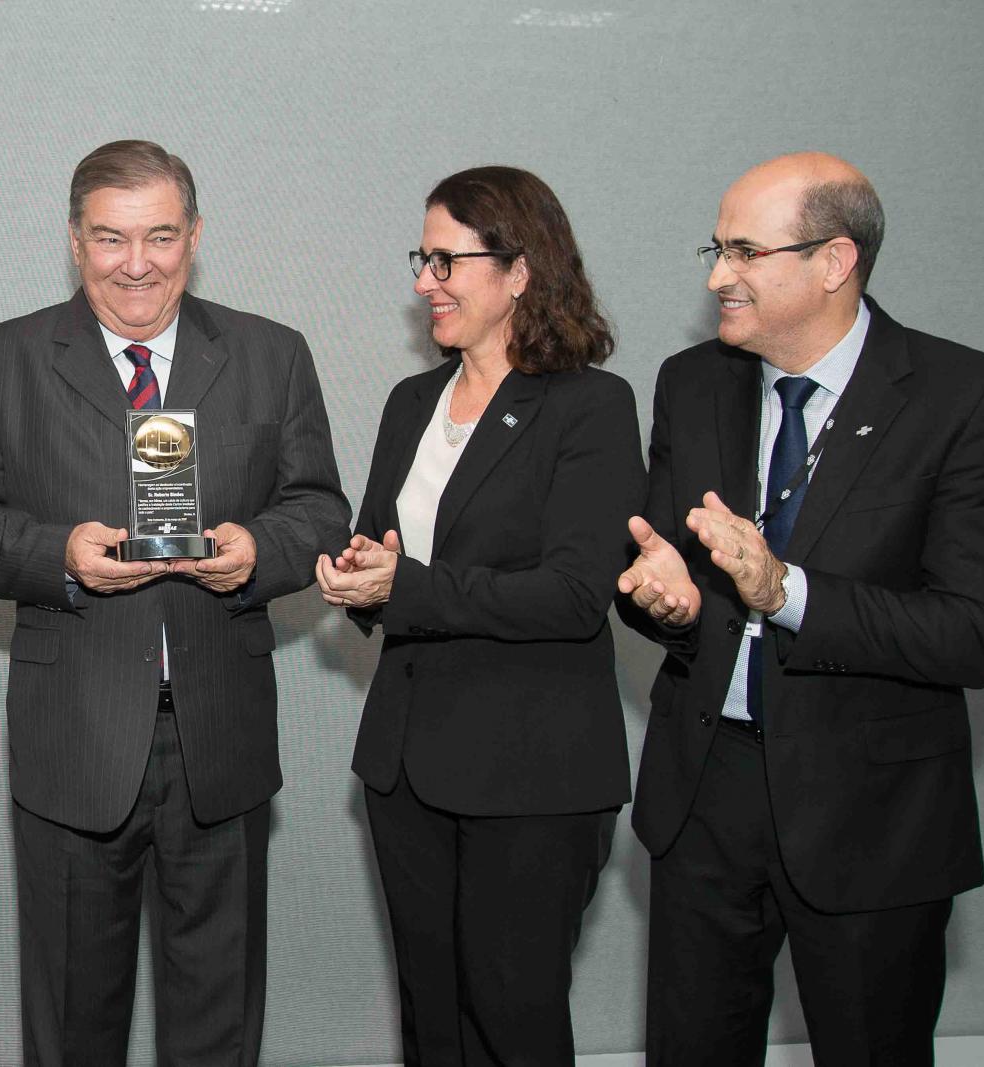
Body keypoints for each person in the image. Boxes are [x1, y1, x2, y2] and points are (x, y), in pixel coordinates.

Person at [0, 139, 350, 1065]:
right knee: (74, 1024)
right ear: (75, 242)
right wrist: (56, 555)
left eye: (160, 236)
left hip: (219, 737)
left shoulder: (271, 355)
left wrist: (257, 551)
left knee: (218, 1022)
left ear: (196, 235)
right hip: (73, 734)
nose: (137, 264)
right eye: (111, 239)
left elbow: (318, 508)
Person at [617, 152, 984, 1065]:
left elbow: (974, 632)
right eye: (715, 247)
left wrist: (787, 594)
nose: (717, 275)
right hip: (704, 796)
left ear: (835, 261)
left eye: (743, 251)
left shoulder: (965, 398)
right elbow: (668, 582)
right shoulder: (693, 384)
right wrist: (670, 606)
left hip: (872, 812)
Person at [316, 165, 646, 1065]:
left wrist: (404, 585)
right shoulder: (411, 402)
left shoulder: (591, 407)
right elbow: (387, 546)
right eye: (422, 259)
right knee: (432, 1024)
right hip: (406, 768)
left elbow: (577, 594)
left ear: (521, 271)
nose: (424, 282)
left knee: (513, 1021)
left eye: (446, 260)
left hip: (532, 776)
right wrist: (355, 578)